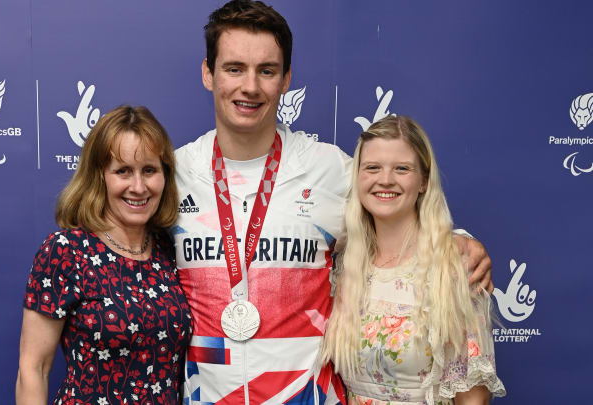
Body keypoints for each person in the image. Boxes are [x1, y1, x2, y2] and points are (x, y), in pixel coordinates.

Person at [172, 1, 492, 404]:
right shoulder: (173, 174)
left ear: (286, 79)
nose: (249, 86)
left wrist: (456, 240)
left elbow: (397, 211)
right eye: (234, 68)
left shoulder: (330, 170)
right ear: (208, 73)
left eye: (266, 71)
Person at [321, 116, 506, 404]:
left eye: (402, 169)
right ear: (357, 177)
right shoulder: (342, 264)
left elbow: (472, 397)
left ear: (423, 180)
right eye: (372, 168)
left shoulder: (453, 265)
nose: (385, 180)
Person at [16, 105, 192, 405]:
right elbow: (34, 369)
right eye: (123, 171)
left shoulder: (170, 250)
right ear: (100, 176)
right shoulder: (66, 251)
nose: (138, 187)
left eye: (149, 170)